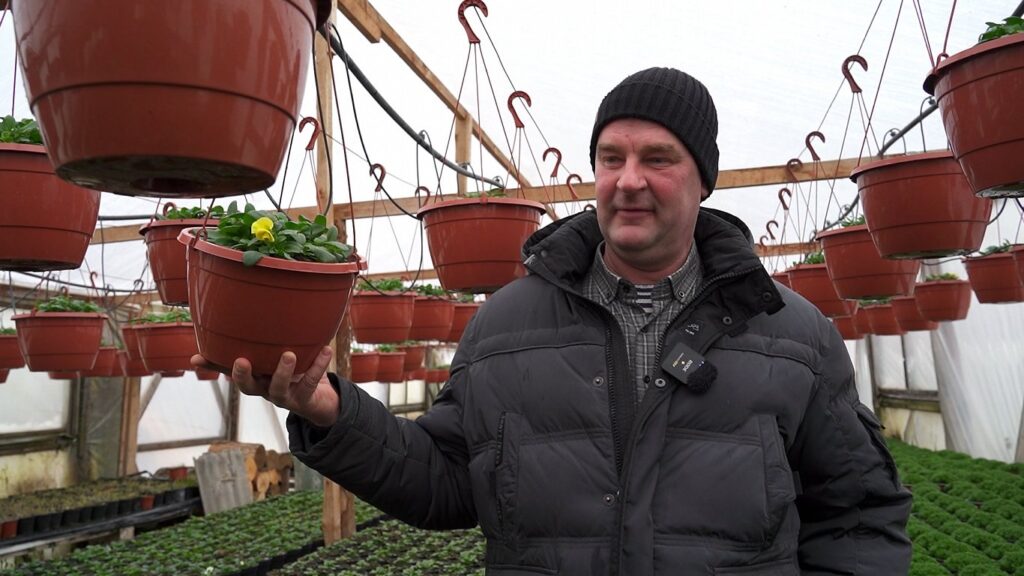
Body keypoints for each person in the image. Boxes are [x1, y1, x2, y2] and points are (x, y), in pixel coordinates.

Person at [202, 67, 912, 575]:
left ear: (704, 180)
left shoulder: (791, 335)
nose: (628, 179)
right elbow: (447, 482)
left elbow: (858, 513)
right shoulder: (505, 327)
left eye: (658, 159)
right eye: (611, 157)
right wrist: (331, 412)